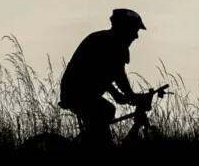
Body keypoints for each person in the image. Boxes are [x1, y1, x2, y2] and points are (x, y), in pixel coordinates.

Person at [58, 9, 149, 147]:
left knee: (106, 113)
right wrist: (121, 95)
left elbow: (119, 74)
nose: (136, 36)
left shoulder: (117, 45)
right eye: (134, 30)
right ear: (124, 28)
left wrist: (129, 94)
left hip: (86, 93)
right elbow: (97, 74)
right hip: (75, 92)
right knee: (104, 114)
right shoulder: (103, 42)